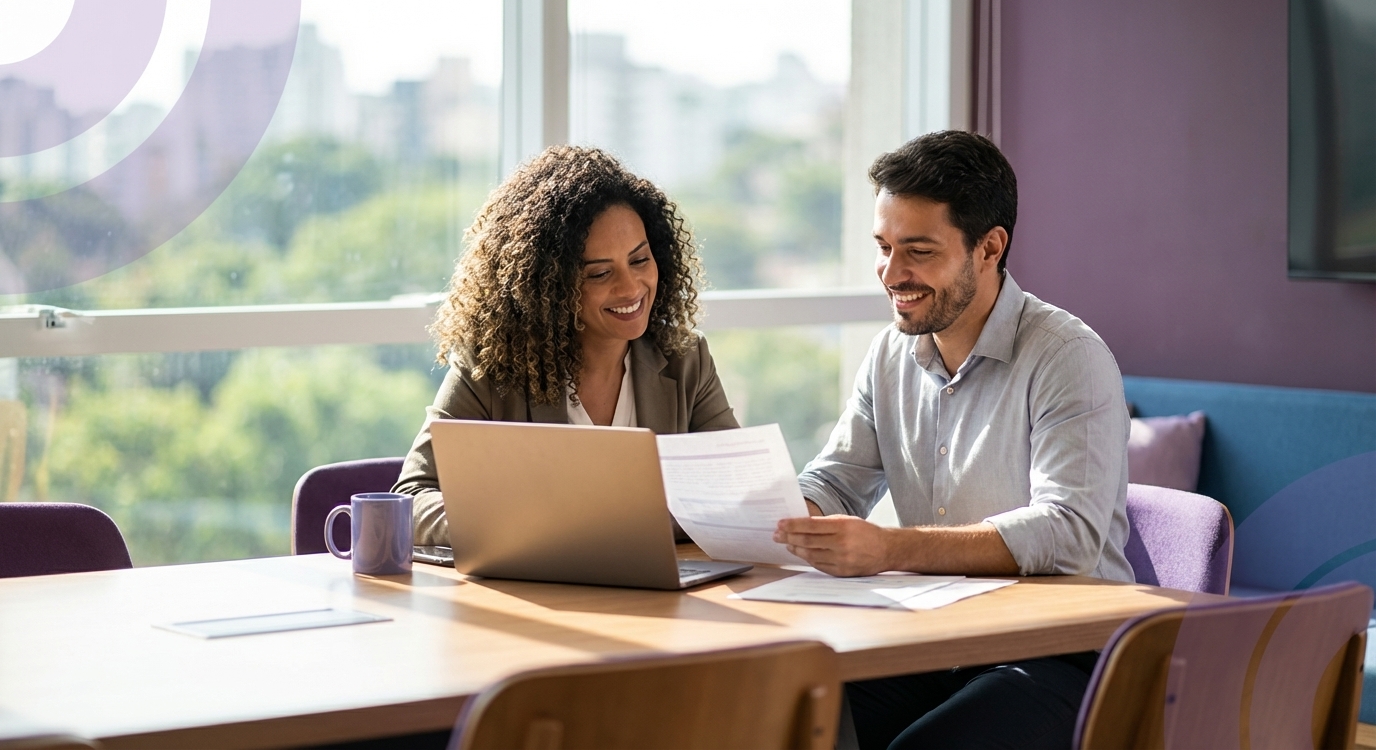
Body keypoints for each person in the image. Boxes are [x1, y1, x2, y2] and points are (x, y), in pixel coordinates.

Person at [772, 130, 1132, 750]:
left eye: (918, 251)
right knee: (786, 712)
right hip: (933, 642)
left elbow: (1068, 533)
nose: (892, 274)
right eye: (883, 248)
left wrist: (889, 548)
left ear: (990, 247)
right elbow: (836, 480)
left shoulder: (1067, 355)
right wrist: (781, 518)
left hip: (1064, 654)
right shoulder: (890, 352)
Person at [394, 146, 739, 546]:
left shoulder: (685, 360)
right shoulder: (490, 367)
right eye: (599, 273)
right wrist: (530, 523)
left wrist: (607, 523)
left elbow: (735, 493)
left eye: (640, 260)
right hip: (535, 603)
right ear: (548, 286)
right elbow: (411, 502)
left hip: (659, 597)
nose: (629, 288)